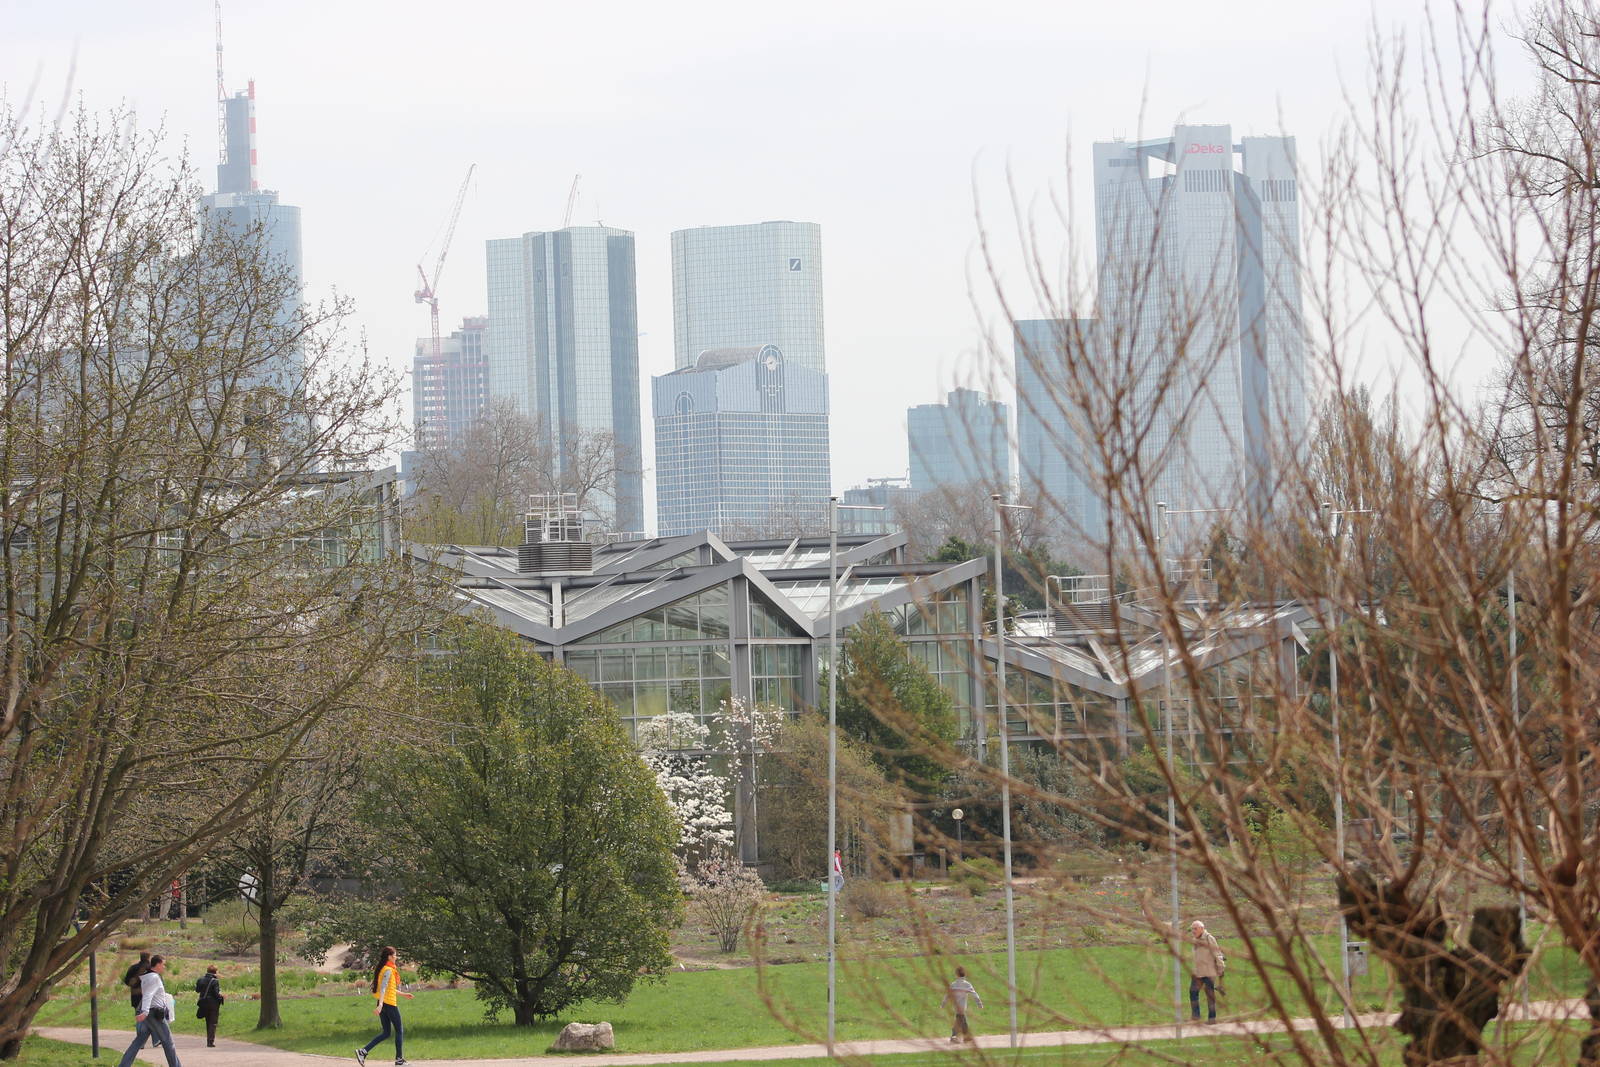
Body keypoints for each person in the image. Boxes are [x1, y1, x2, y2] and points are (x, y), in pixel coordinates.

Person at [117, 954, 181, 1067]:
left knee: (138, 1041)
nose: (164, 967)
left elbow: (146, 994)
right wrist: (145, 1012)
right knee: (168, 1042)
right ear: (158, 964)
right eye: (163, 965)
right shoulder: (154, 978)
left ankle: (124, 1065)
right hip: (154, 1013)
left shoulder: (146, 977)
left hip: (149, 1013)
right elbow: (148, 995)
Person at [355, 946, 413, 1066]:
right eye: (395, 955)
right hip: (389, 1004)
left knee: (386, 1033)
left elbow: (389, 989)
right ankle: (399, 1059)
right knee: (399, 1031)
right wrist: (381, 1004)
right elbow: (383, 988)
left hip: (384, 1003)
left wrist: (403, 994)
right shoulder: (388, 970)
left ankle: (363, 1052)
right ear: (389, 957)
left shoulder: (385, 969)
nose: (396, 957)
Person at [1188, 920, 1226, 1022]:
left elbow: (1217, 953)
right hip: (1198, 973)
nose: (1193, 931)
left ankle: (1212, 1019)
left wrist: (1221, 968)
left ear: (1202, 928)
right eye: (1192, 929)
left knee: (1210, 995)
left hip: (1209, 972)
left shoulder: (1209, 938)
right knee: (1193, 992)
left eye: (1195, 929)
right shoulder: (1195, 940)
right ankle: (1196, 1016)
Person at [941, 966, 983, 1043]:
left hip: (956, 1006)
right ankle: (963, 1037)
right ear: (965, 974)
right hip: (963, 1006)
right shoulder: (967, 984)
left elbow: (947, 995)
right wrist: (979, 1003)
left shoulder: (953, 984)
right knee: (961, 1019)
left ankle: (959, 1036)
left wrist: (943, 1004)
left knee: (960, 1019)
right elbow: (974, 994)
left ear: (956, 974)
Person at [121, 952, 151, 1050]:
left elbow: (126, 981)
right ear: (148, 957)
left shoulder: (133, 968)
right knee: (153, 1018)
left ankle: (140, 1042)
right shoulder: (151, 968)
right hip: (149, 996)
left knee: (139, 1018)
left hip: (136, 996)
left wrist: (134, 984)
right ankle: (157, 1039)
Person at [194, 965, 224, 1047]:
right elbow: (216, 993)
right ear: (215, 972)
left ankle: (209, 1040)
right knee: (213, 1022)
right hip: (213, 1004)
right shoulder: (215, 981)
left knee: (208, 1021)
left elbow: (197, 990)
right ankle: (210, 1041)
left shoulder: (200, 979)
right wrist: (221, 996)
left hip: (203, 1003)